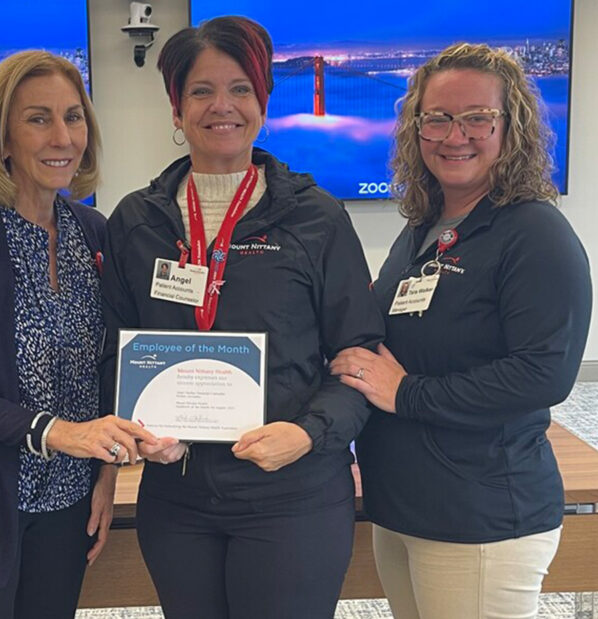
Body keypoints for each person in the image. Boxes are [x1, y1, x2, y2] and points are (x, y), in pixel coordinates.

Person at [99, 16, 384, 619]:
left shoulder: (316, 219)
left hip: (294, 492)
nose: (220, 106)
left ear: (263, 104)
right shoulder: (136, 222)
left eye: (240, 89)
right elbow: (112, 348)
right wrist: (137, 431)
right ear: (176, 110)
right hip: (176, 498)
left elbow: (359, 357)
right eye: (200, 91)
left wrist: (308, 433)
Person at [329, 43, 592, 619]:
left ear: (510, 127)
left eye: (478, 118)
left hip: (479, 516)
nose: (455, 136)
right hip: (404, 505)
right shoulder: (427, 225)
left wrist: (406, 393)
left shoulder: (534, 234)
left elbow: (542, 374)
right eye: (438, 118)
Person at [0, 50, 156, 619]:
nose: (62, 137)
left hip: (68, 493)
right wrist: (62, 433)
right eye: (38, 119)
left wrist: (103, 475)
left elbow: (110, 363)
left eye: (73, 117)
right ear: (2, 139)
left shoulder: (93, 232)